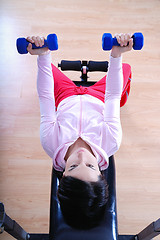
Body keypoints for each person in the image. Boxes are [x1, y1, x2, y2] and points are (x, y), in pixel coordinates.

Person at [27, 33, 133, 229]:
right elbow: (112, 96)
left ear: (63, 174)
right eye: (91, 166)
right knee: (125, 69)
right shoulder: (111, 141)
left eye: (74, 167)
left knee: (45, 67)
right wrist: (116, 55)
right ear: (102, 173)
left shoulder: (50, 142)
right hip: (99, 96)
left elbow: (45, 97)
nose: (82, 156)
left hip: (65, 95)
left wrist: (43, 55)